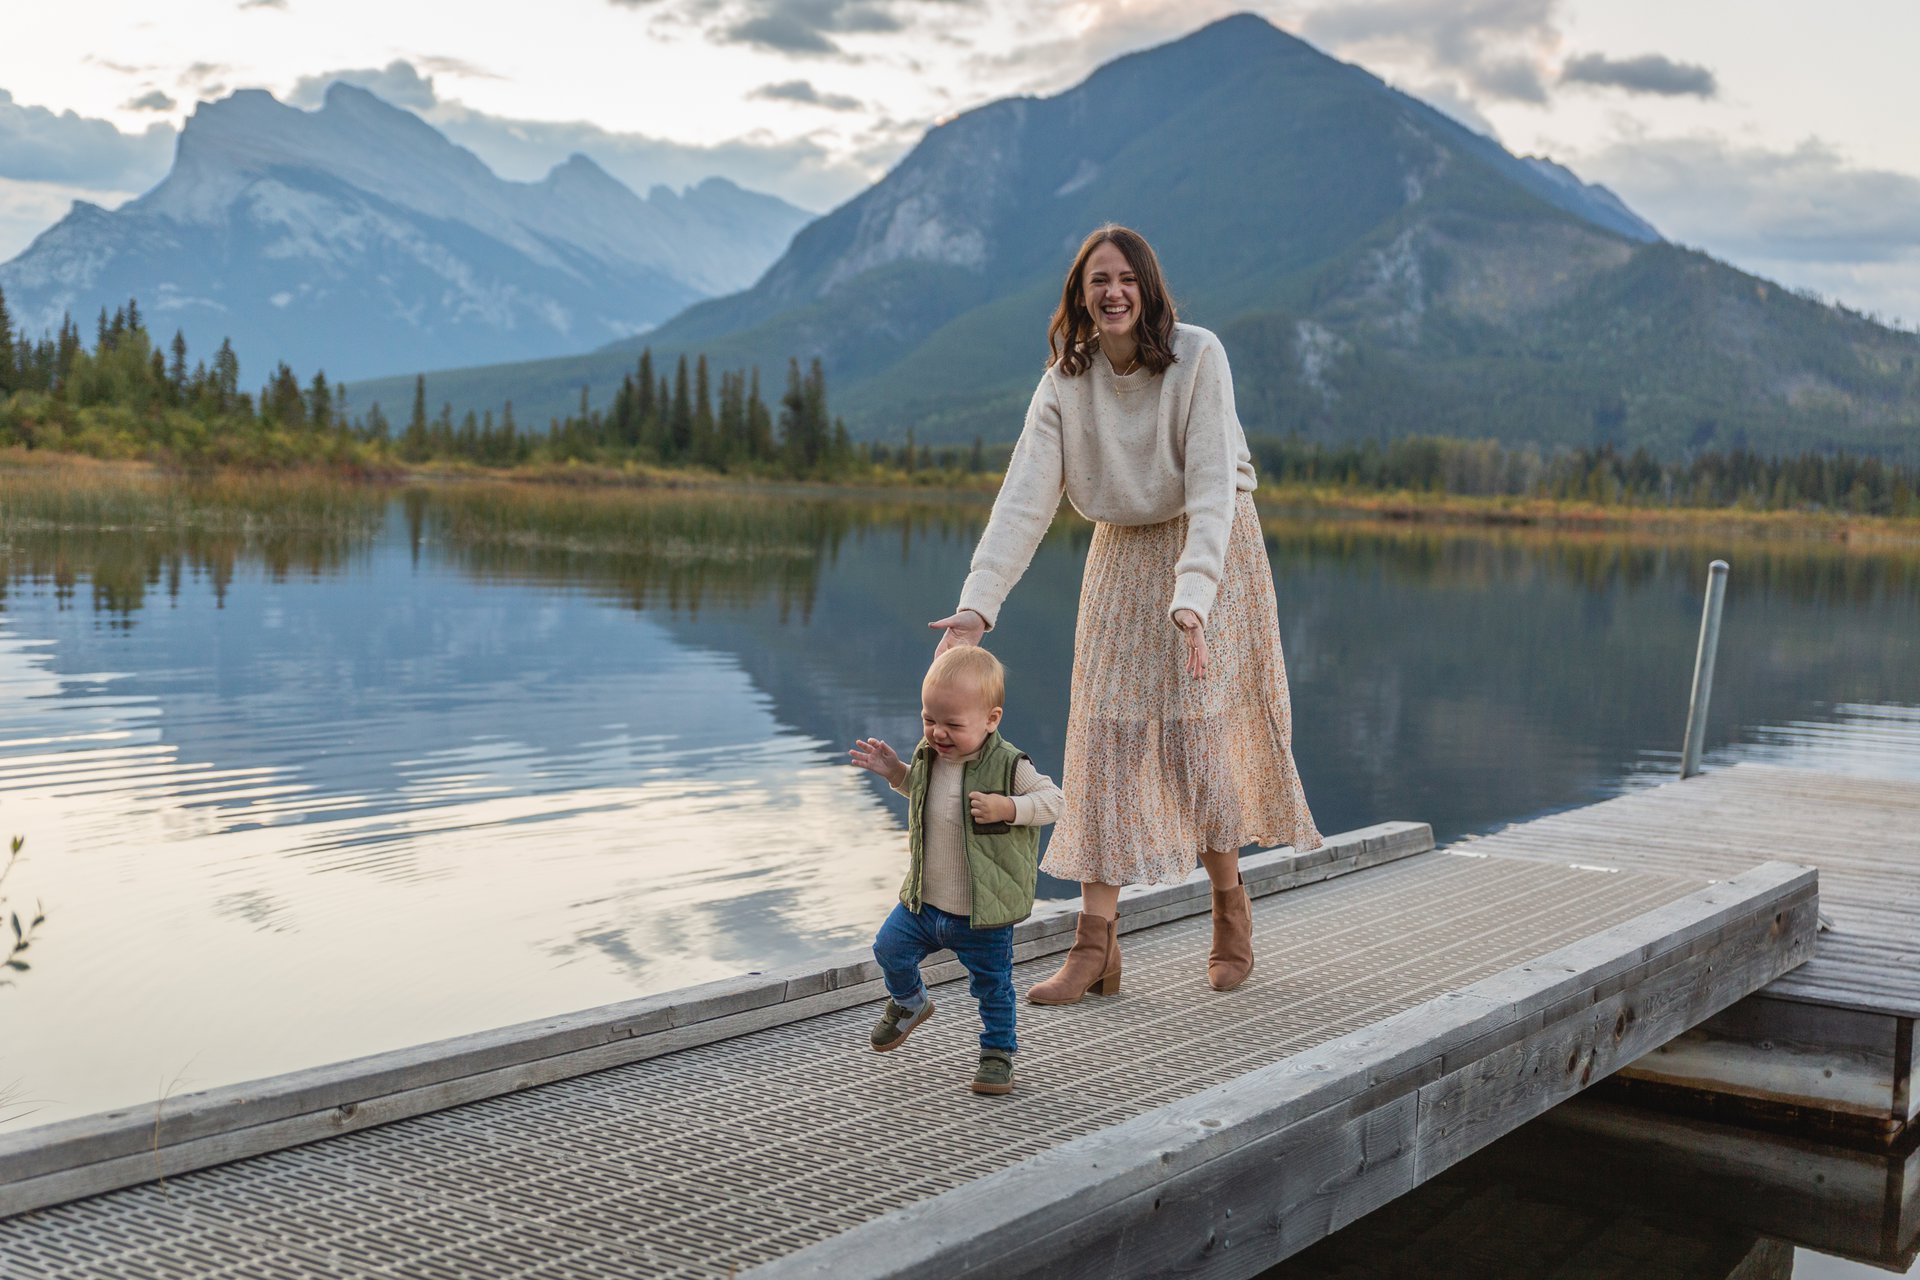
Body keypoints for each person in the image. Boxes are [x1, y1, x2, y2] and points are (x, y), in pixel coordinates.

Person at [930, 224, 1321, 1005]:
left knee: (1196, 741)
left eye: (1126, 280)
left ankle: (1229, 910)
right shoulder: (1064, 384)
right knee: (1104, 736)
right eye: (1096, 280)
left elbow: (1213, 489)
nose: (1112, 292)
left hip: (1212, 552)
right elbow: (1023, 501)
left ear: (1148, 289)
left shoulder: (1199, 357)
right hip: (1121, 547)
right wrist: (979, 606)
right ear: (1080, 295)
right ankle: (1094, 946)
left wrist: (1192, 599)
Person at [850, 645, 1064, 1095]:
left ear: (991, 719)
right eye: (930, 720)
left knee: (993, 987)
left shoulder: (1010, 765)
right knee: (888, 948)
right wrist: (896, 773)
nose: (938, 733)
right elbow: (926, 795)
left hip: (981, 913)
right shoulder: (931, 757)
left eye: (952, 724)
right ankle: (910, 1002)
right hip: (925, 903)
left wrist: (1008, 807)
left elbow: (1054, 802)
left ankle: (998, 1053)